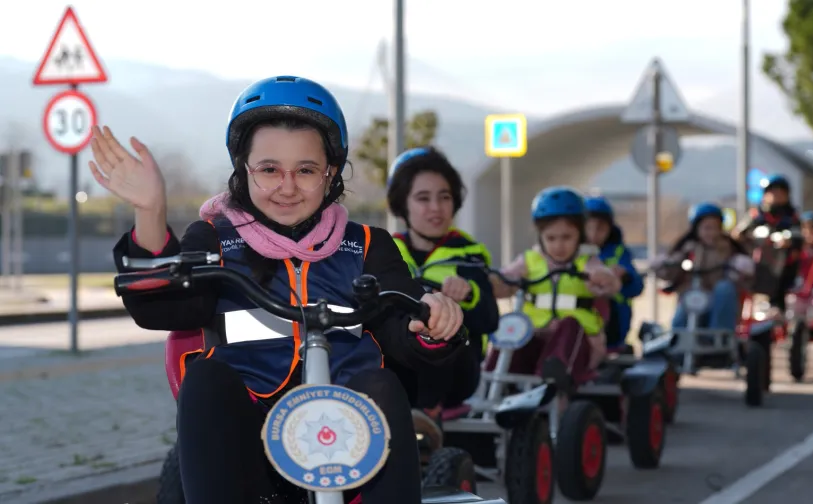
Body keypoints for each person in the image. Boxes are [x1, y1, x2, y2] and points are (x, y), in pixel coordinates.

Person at [88, 76, 466, 504]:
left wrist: (431, 323)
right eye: (269, 170)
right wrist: (150, 213)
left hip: (351, 431)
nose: (287, 187)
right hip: (250, 440)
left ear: (330, 173)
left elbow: (403, 321)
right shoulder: (214, 239)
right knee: (206, 378)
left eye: (305, 170)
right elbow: (166, 308)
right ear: (243, 170)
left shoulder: (366, 246)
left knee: (382, 382)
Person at [384, 146, 499, 449]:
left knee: (438, 334)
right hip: (401, 363)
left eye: (444, 197)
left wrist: (469, 293)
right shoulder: (384, 252)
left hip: (457, 370)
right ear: (403, 205)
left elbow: (490, 319)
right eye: (423, 198)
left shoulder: (469, 254)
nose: (435, 208)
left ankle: (425, 418)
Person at [489, 186, 620, 386]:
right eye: (551, 238)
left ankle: (554, 377)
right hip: (535, 338)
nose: (559, 246)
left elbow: (607, 279)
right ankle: (491, 379)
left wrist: (603, 278)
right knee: (512, 331)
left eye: (567, 237)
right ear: (540, 236)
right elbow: (506, 279)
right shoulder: (530, 261)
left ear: (580, 235)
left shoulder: (586, 261)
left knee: (569, 325)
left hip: (579, 346)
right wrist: (491, 282)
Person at [654, 203, 754, 331]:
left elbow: (747, 276)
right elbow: (670, 270)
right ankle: (678, 336)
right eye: (706, 228)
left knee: (724, 288)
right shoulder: (687, 248)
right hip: (693, 298)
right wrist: (662, 265)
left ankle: (720, 334)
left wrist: (740, 268)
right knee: (680, 318)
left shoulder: (729, 249)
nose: (711, 233)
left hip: (718, 303)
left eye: (715, 228)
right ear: (696, 229)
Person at [733, 174, 801, 311]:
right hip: (756, 268)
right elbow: (737, 234)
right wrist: (754, 238)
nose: (776, 196)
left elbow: (799, 238)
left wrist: (787, 241)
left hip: (783, 272)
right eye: (773, 192)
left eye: (781, 193)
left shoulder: (792, 216)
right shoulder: (756, 215)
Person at [585, 196, 644, 352]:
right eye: (588, 228)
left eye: (600, 229)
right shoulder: (570, 252)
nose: (593, 234)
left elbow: (637, 287)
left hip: (613, 324)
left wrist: (625, 277)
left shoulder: (619, 252)